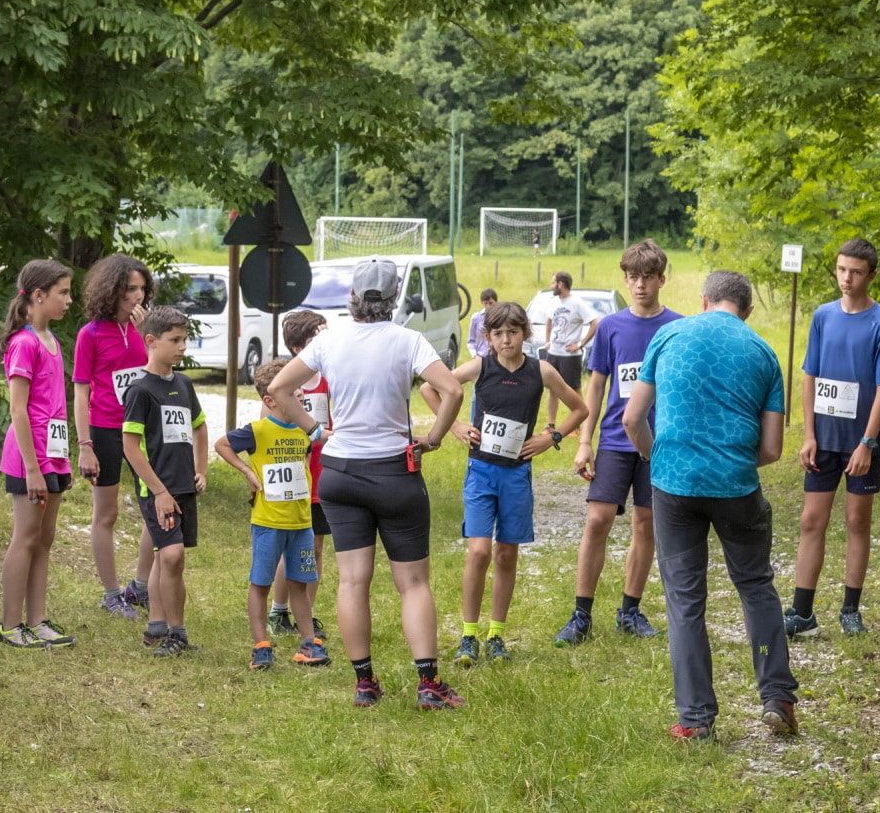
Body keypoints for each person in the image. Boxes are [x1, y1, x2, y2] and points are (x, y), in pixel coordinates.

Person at [267, 258, 467, 709]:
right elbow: (453, 390)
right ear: (395, 297)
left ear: (352, 296)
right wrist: (433, 439)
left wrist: (315, 432)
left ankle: (365, 684)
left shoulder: (329, 340)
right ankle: (429, 684)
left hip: (340, 473)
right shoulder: (408, 339)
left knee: (352, 581)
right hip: (394, 471)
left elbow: (278, 388)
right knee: (412, 583)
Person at [623, 269, 798, 741]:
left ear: (704, 300)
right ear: (747, 310)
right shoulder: (763, 352)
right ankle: (777, 696)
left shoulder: (668, 335)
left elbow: (632, 418)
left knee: (684, 601)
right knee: (756, 586)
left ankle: (696, 720)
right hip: (736, 487)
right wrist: (731, 460)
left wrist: (656, 455)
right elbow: (773, 448)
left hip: (674, 485)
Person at [422, 302, 588, 666]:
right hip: (481, 470)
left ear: (525, 333)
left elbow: (580, 409)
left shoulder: (541, 370)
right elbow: (429, 389)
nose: (506, 340)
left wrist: (550, 437)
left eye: (513, 332)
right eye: (497, 334)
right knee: (479, 552)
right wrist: (454, 426)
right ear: (488, 337)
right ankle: (468, 635)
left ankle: (496, 635)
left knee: (507, 554)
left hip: (516, 473)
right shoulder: (480, 367)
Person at [555, 239, 682, 647]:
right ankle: (581, 614)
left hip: (659, 443)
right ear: (625, 279)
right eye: (633, 277)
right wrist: (584, 440)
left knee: (646, 524)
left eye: (648, 277)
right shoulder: (610, 327)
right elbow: (596, 386)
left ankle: (630, 610)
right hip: (613, 438)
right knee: (598, 520)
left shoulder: (677, 328)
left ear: (662, 279)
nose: (640, 285)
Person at [787, 238, 880, 638]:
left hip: (860, 443)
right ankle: (802, 612)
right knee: (811, 520)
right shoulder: (823, 316)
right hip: (824, 439)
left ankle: (850, 609)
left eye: (855, 272)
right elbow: (810, 375)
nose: (846, 278)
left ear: (871, 275)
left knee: (856, 521)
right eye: (841, 270)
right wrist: (808, 434)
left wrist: (867, 443)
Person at [216, 359, 332, 670]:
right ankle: (261, 646)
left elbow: (318, 448)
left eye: (301, 390)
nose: (302, 395)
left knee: (300, 583)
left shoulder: (305, 431)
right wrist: (246, 471)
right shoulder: (258, 431)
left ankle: (308, 643)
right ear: (270, 400)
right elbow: (222, 444)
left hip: (301, 523)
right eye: (294, 392)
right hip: (269, 523)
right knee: (261, 583)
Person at [0, 260, 77, 648]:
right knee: (26, 537)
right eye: (63, 292)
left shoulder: (52, 341)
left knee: (45, 538)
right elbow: (19, 410)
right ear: (39, 295)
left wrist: (63, 461)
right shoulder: (24, 343)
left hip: (52, 455)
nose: (69, 300)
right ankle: (11, 625)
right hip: (28, 458)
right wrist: (33, 469)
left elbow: (55, 406)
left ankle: (37, 620)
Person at [73, 254, 157, 620]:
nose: (138, 296)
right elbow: (80, 392)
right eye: (130, 289)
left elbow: (163, 373)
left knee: (158, 504)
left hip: (143, 429)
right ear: (112, 290)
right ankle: (111, 595)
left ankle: (140, 585)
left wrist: (146, 335)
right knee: (106, 513)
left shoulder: (149, 328)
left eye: (142, 289)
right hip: (105, 429)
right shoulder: (90, 334)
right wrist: (85, 445)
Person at [122, 306, 209, 658]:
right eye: (175, 340)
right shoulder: (140, 390)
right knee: (172, 557)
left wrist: (201, 469)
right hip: (157, 490)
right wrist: (159, 491)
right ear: (152, 341)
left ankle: (157, 625)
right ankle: (178, 634)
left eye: (185, 339)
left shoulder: (184, 384)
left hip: (184, 486)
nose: (182, 347)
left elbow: (200, 426)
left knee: (165, 557)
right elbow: (130, 446)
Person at [266, 311, 331, 640]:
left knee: (315, 547)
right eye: (318, 337)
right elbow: (266, 426)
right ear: (297, 348)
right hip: (293, 477)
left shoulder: (332, 378)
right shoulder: (284, 383)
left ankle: (306, 612)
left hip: (323, 474)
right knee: (291, 546)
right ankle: (278, 610)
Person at [543, 271, 598, 430]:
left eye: (553, 282)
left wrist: (580, 344)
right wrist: (548, 341)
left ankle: (577, 426)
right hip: (554, 353)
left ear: (561, 284)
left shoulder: (576, 303)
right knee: (552, 389)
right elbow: (549, 321)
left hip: (570, 356)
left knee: (574, 389)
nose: (552, 285)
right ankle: (550, 425)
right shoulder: (554, 302)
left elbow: (595, 323)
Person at [466, 288, 497, 360]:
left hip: (496, 357)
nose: (488, 306)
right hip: (481, 356)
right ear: (482, 303)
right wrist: (474, 355)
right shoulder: (476, 317)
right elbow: (471, 341)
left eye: (491, 303)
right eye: (485, 303)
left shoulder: (500, 317)